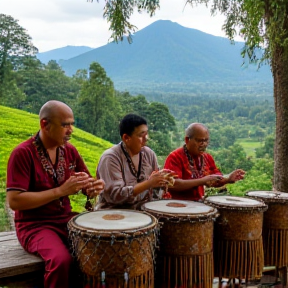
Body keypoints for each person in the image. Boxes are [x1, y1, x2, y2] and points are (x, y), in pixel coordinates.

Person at [6, 100, 105, 288]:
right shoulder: (22, 154)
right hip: (34, 225)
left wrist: (93, 187)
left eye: (72, 124)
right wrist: (60, 191)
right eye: (65, 125)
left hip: (65, 219)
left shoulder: (69, 151)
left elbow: (86, 182)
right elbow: (15, 201)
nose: (71, 130)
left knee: (98, 247)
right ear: (45, 124)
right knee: (61, 260)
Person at [96, 113, 175, 210]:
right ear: (126, 138)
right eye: (141, 135)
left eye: (147, 134)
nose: (146, 139)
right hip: (114, 215)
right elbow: (115, 196)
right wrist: (149, 183)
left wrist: (162, 180)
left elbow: (155, 191)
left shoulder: (149, 154)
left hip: (143, 213)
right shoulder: (110, 158)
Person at [164, 123, 245, 201]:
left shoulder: (207, 158)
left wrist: (228, 179)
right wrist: (202, 181)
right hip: (175, 205)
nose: (204, 144)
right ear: (187, 140)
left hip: (197, 204)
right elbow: (173, 184)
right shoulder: (175, 157)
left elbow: (214, 179)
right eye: (200, 141)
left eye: (206, 141)